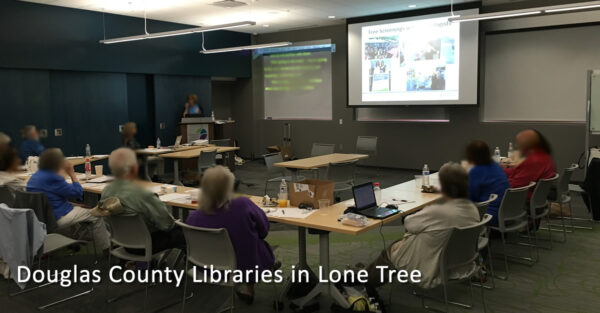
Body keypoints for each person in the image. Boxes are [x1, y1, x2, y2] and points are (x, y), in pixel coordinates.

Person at [366, 162, 480, 289]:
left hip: (431, 265)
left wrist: (423, 212)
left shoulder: (439, 212)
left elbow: (409, 224)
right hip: (459, 261)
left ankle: (365, 283)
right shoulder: (472, 208)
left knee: (389, 252)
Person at [186, 166, 275, 304]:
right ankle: (249, 288)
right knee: (251, 244)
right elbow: (264, 231)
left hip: (205, 268)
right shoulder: (243, 205)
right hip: (244, 267)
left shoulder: (193, 218)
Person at [99, 148, 183, 253]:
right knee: (186, 233)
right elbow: (167, 225)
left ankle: (139, 264)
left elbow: (107, 222)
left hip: (122, 243)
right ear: (134, 168)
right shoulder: (144, 194)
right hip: (147, 245)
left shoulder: (106, 191)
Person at [26, 148, 110, 251]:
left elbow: (50, 199)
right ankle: (107, 249)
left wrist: (76, 205)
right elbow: (77, 192)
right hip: (57, 218)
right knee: (96, 215)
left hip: (40, 218)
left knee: (84, 208)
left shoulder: (34, 177)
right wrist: (71, 173)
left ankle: (80, 237)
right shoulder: (54, 178)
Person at [465, 140, 510, 226]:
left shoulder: (476, 171)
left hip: (489, 215)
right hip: (505, 212)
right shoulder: (496, 166)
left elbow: (470, 198)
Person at [503, 129, 555, 200]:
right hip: (535, 195)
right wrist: (500, 171)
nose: (517, 146)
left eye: (519, 144)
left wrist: (498, 180)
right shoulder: (543, 155)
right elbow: (518, 172)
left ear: (527, 146)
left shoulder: (535, 161)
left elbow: (516, 185)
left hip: (523, 200)